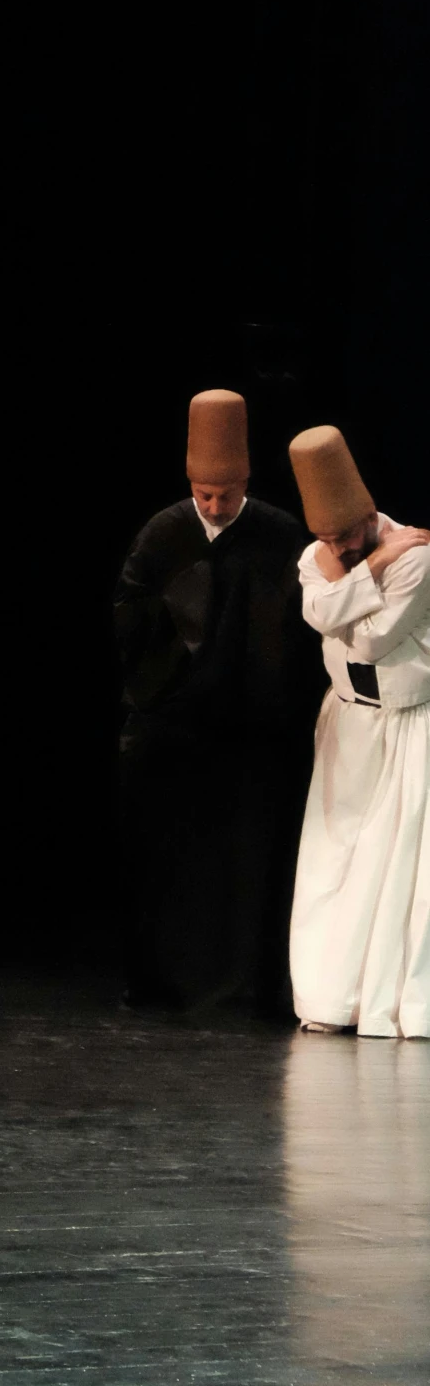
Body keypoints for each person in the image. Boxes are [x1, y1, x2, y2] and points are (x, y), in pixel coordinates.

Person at [113, 389, 321, 1016]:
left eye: (224, 495)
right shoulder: (166, 531)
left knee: (249, 860)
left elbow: (301, 625)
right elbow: (130, 618)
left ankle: (248, 985)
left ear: (245, 483)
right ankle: (160, 981)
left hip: (251, 731)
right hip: (178, 723)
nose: (212, 506)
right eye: (203, 494)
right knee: (164, 850)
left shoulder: (278, 533)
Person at [288, 424, 430, 1037]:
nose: (337, 547)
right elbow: (315, 611)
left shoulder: (417, 554)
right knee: (336, 858)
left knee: (397, 864)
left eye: (349, 536)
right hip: (348, 721)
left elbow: (371, 639)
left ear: (369, 513)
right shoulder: (326, 553)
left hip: (406, 723)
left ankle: (392, 1000)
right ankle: (330, 996)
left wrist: (342, 601)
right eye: (328, 539)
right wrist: (371, 566)